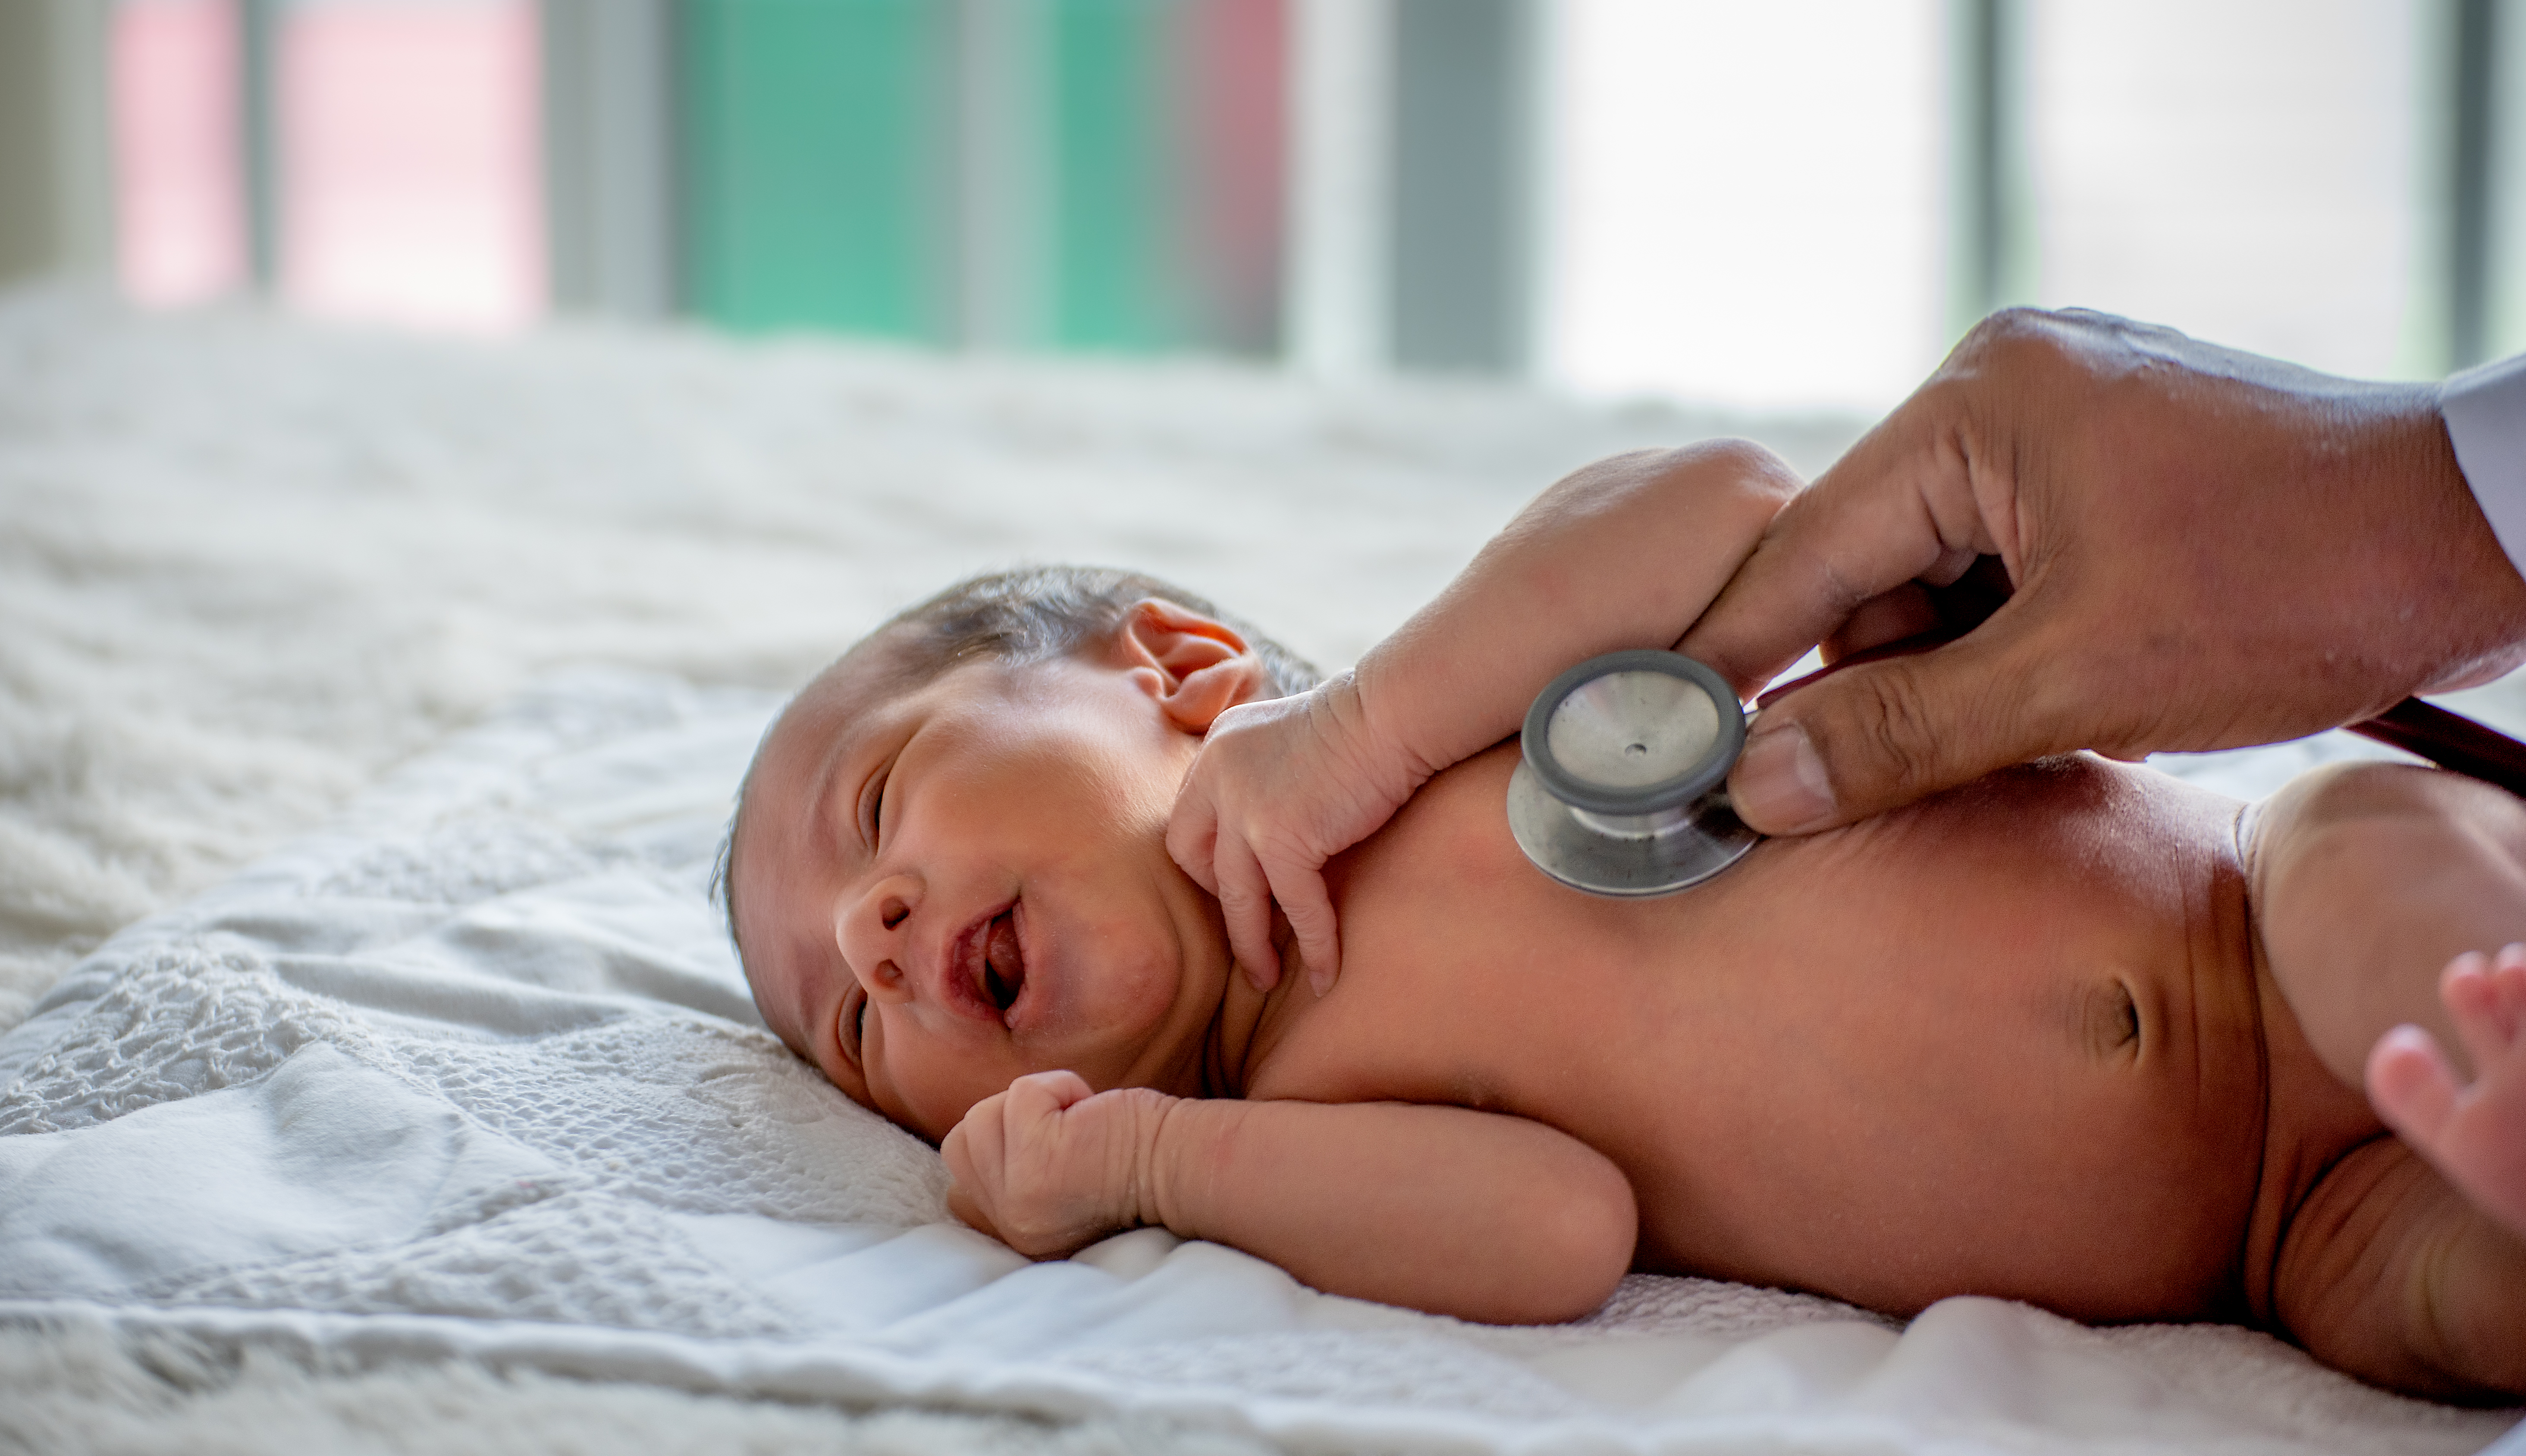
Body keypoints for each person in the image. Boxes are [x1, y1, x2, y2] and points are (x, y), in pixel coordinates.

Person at [722, 443, 2526, 1401]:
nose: (870, 940)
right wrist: (1146, 1162)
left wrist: (1366, 719)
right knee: (2454, 1307)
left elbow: (1729, 508)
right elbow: (1556, 1231)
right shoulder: (1283, 1123)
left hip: (2261, 912)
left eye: (876, 810)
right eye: (851, 1026)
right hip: (2282, 1237)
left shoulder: (1426, 729)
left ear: (1182, 675)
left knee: (2375, 857)